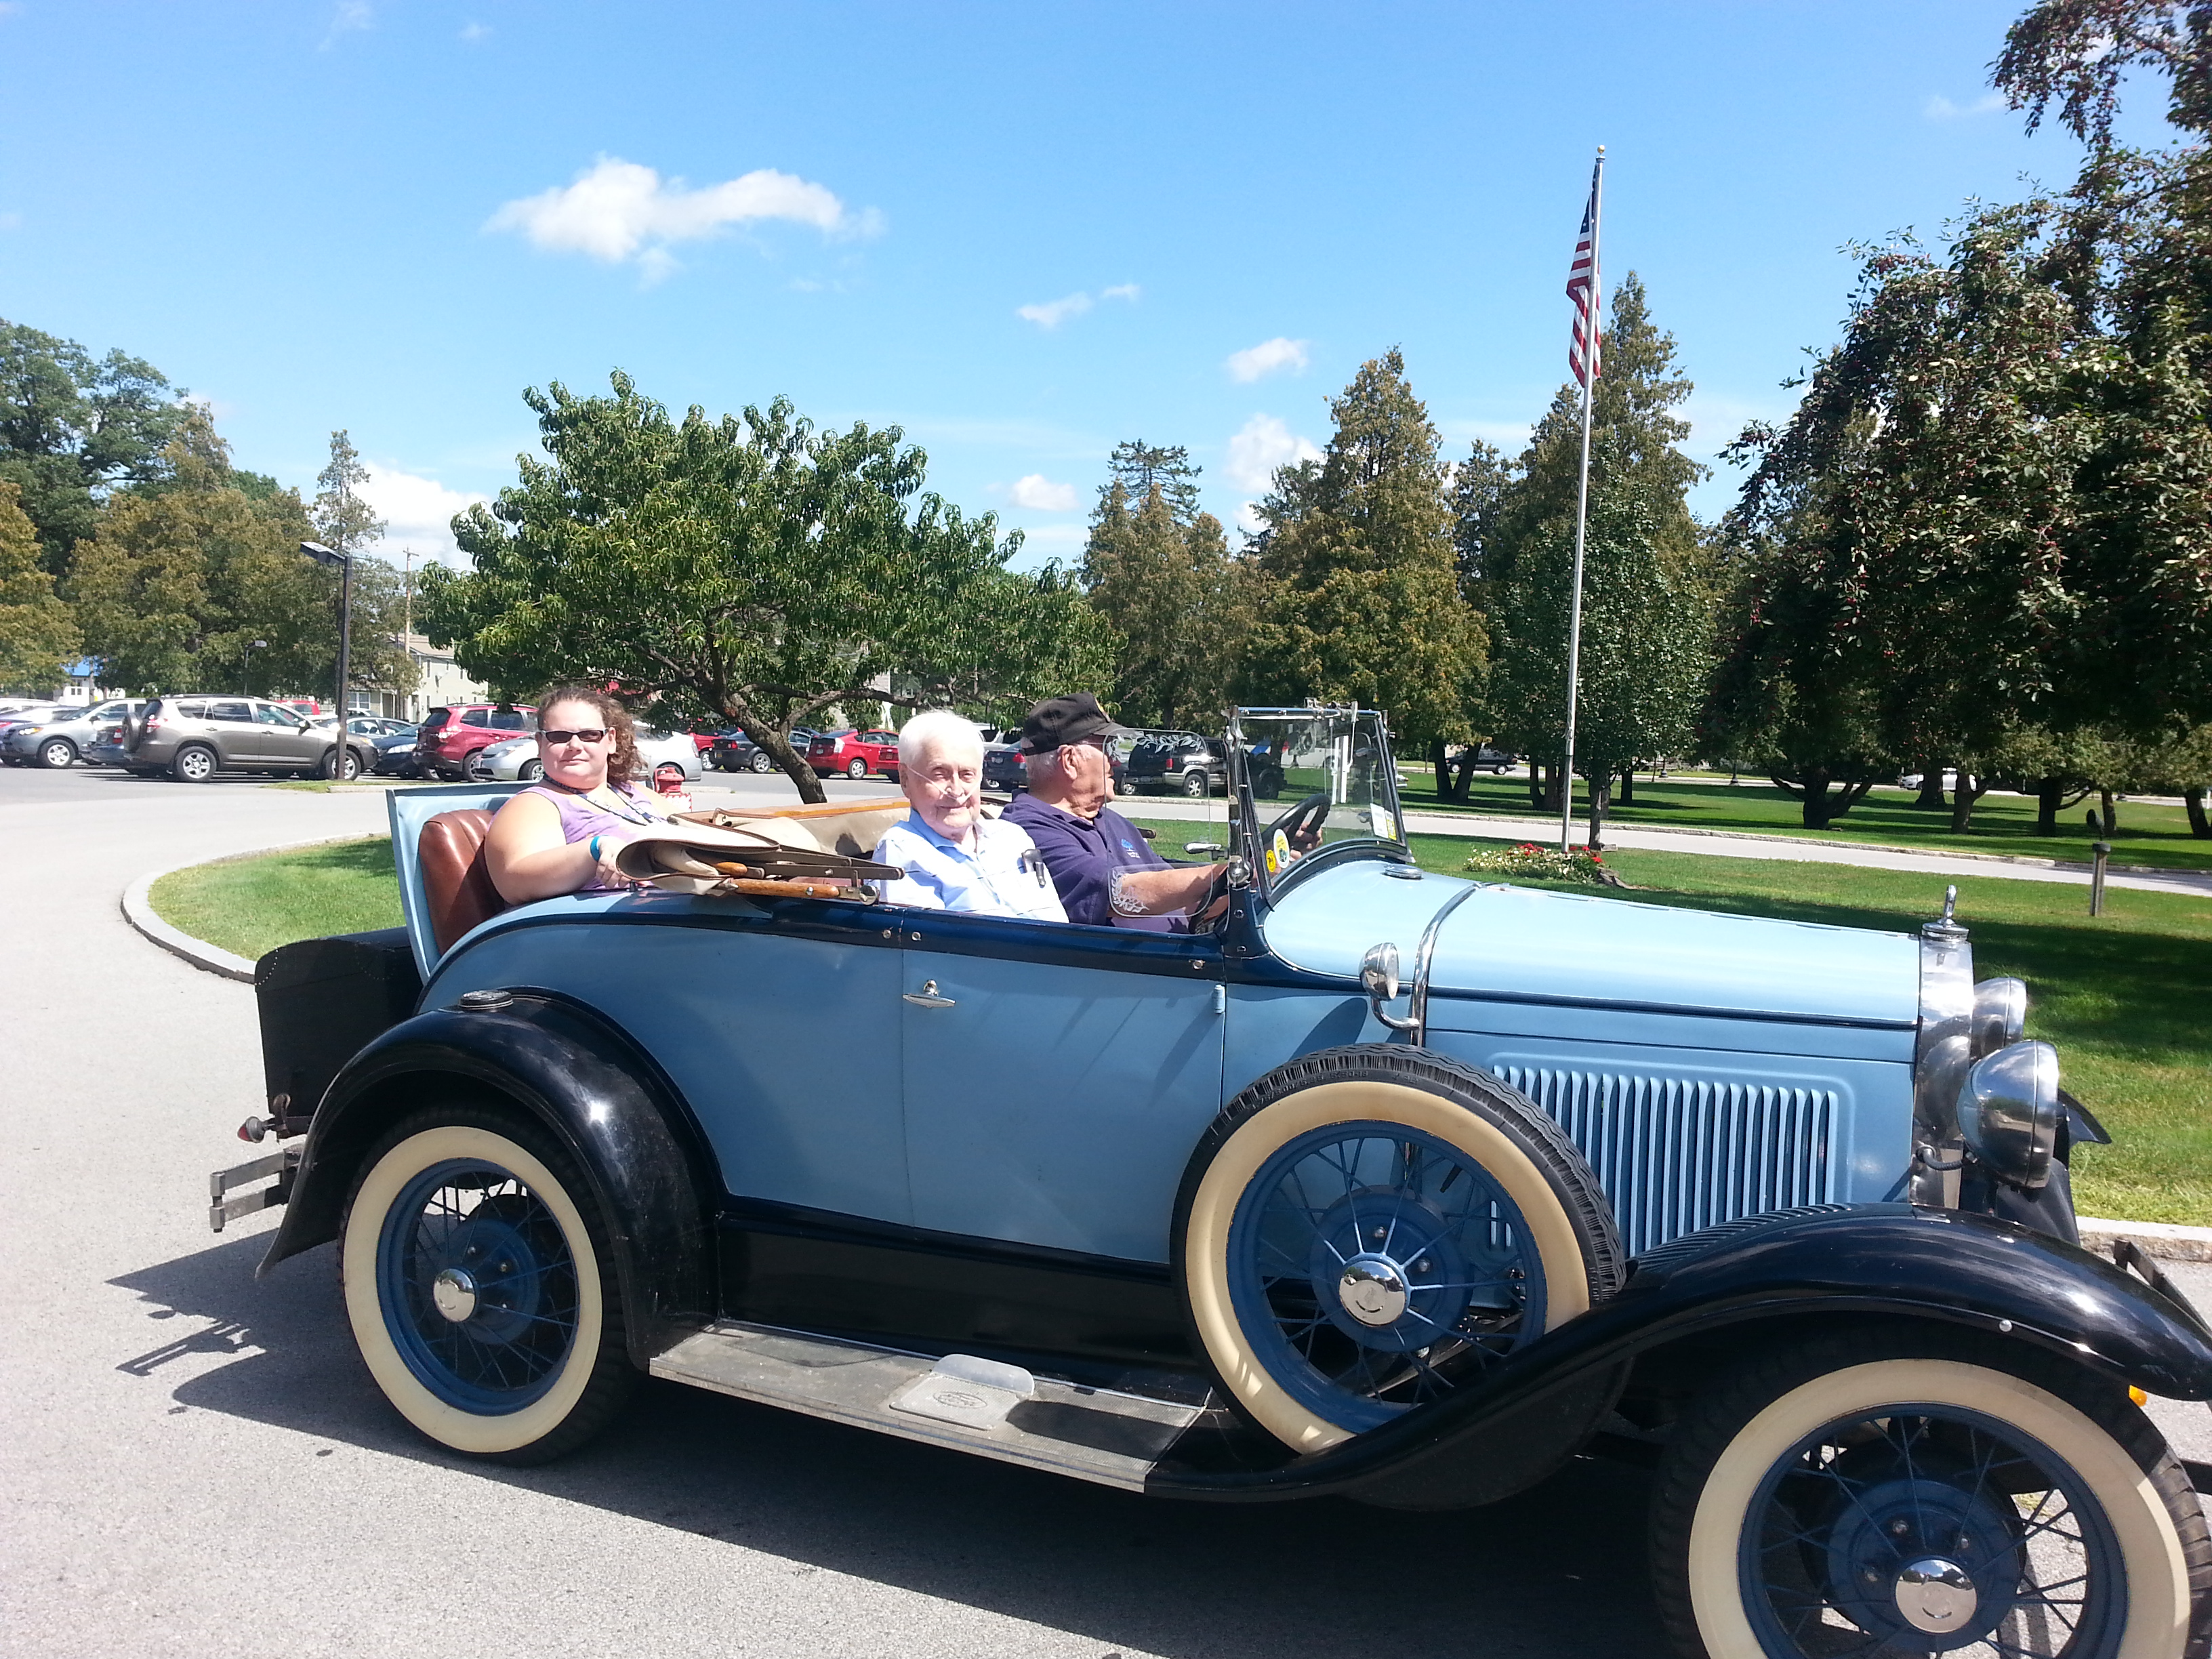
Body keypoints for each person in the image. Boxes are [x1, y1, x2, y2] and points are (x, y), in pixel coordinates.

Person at [1002, 694, 1222, 931]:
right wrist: (1222, 875)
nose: (1116, 761)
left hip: (1187, 947)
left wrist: (1234, 888)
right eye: (1108, 748)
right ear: (1070, 761)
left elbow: (1182, 900)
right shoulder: (1026, 830)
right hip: (1130, 957)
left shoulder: (1110, 820)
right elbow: (1118, 893)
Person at [484, 686, 673, 903]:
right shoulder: (535, 804)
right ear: (540, 743)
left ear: (610, 740)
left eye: (589, 735)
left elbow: (696, 831)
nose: (574, 745)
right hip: (619, 918)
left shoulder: (633, 792)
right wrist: (595, 849)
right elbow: (515, 882)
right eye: (559, 737)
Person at [874, 709, 1067, 920]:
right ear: (905, 779)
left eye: (967, 775)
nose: (957, 791)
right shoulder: (902, 849)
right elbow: (922, 939)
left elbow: (1056, 920)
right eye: (940, 774)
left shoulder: (1012, 837)